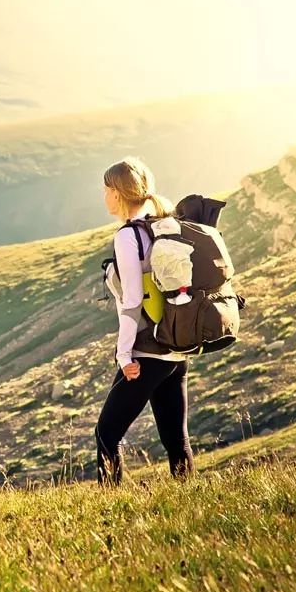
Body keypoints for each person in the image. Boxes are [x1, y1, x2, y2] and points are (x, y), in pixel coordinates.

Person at [95, 156, 196, 487]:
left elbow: (132, 301)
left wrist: (124, 356)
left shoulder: (128, 237)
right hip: (176, 350)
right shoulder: (165, 225)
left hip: (147, 351)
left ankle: (112, 504)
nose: (103, 196)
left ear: (118, 193)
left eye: (106, 189)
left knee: (107, 433)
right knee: (175, 440)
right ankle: (190, 499)